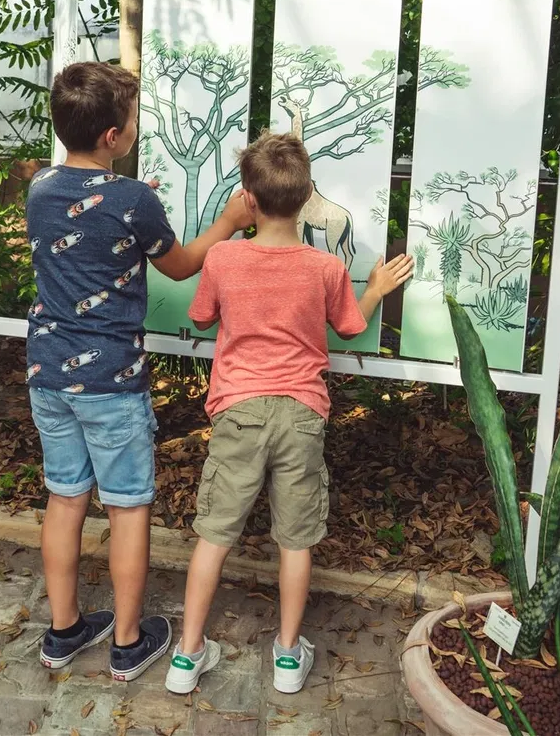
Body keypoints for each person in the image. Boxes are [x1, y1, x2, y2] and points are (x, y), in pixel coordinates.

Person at [165, 131, 414, 696]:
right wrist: (372, 289)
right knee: (295, 540)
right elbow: (349, 327)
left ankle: (187, 656)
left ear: (248, 198)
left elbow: (202, 318)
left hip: (238, 411)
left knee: (215, 534)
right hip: (302, 413)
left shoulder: (225, 257)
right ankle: (285, 657)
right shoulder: (325, 267)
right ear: (305, 200)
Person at [26, 61, 251, 681]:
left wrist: (127, 203)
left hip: (48, 372)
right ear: (113, 138)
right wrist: (229, 223)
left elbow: (88, 224)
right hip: (111, 382)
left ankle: (64, 630)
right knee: (127, 506)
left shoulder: (41, 186)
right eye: (129, 122)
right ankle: (127, 642)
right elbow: (180, 267)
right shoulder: (133, 200)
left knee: (65, 497)